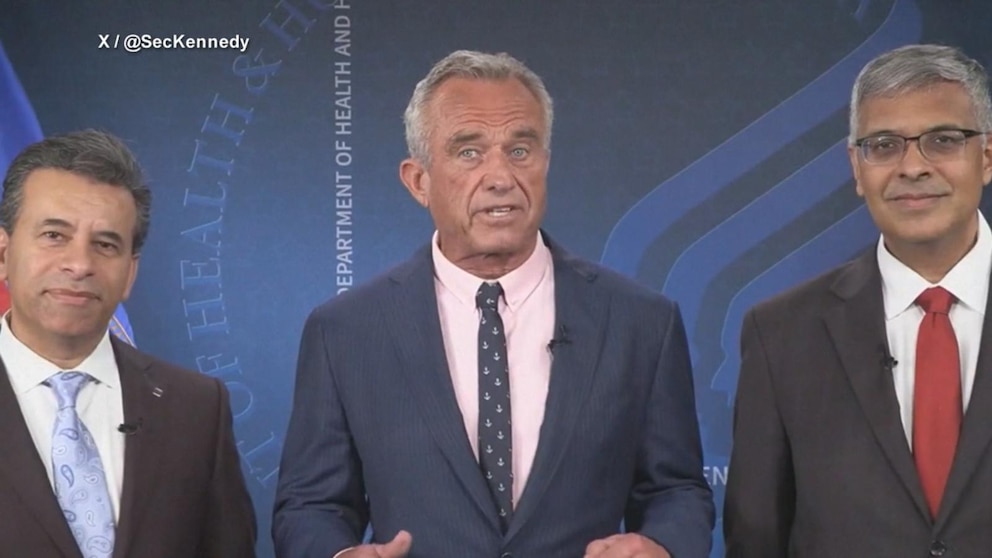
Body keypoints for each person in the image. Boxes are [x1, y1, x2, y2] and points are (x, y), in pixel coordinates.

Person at [273, 50, 714, 558]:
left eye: (520, 150)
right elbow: (310, 506)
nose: (501, 176)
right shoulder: (345, 332)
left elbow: (676, 490)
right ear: (418, 181)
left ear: (546, 162)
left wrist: (661, 546)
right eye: (469, 152)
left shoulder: (641, 321)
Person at [724, 44, 992, 557]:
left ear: (986, 156)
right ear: (856, 166)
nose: (912, 167)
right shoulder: (780, 335)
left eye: (942, 140)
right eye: (884, 145)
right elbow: (756, 540)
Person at [0, 130, 257, 557]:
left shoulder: (197, 409)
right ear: (3, 253)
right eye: (54, 236)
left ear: (130, 273)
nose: (79, 264)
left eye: (105, 245)